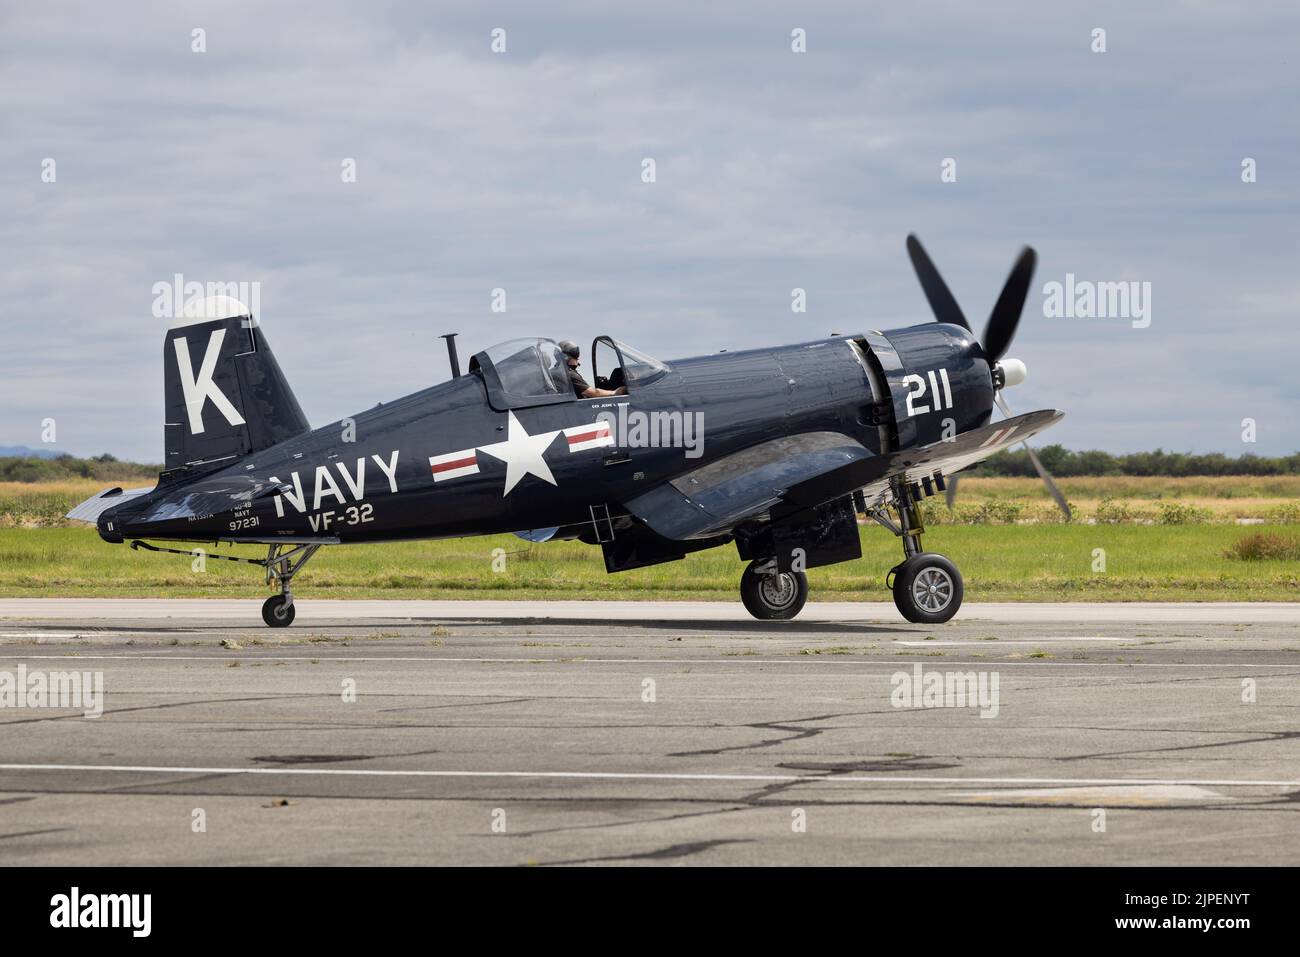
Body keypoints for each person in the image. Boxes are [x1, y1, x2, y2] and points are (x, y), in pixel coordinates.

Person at [558, 340, 626, 398]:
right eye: (575, 357)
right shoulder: (569, 374)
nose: (577, 360)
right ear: (566, 357)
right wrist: (615, 392)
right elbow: (593, 393)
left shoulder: (557, 372)